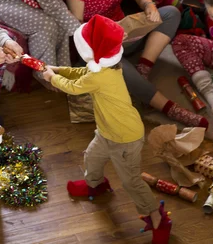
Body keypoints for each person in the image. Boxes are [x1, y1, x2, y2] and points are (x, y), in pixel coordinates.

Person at [42, 15, 172, 244]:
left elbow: (73, 88)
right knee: (92, 158)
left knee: (131, 181)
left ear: (92, 53)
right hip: (107, 132)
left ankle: (157, 216)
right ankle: (96, 184)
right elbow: (82, 74)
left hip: (125, 138)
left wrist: (53, 78)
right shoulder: (105, 68)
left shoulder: (100, 76)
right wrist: (58, 69)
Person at [66, 0, 207, 128]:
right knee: (116, 66)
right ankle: (169, 108)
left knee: (171, 13)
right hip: (98, 48)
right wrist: (109, 34)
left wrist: (149, 5)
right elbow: (77, 28)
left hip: (126, 33)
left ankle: (143, 69)